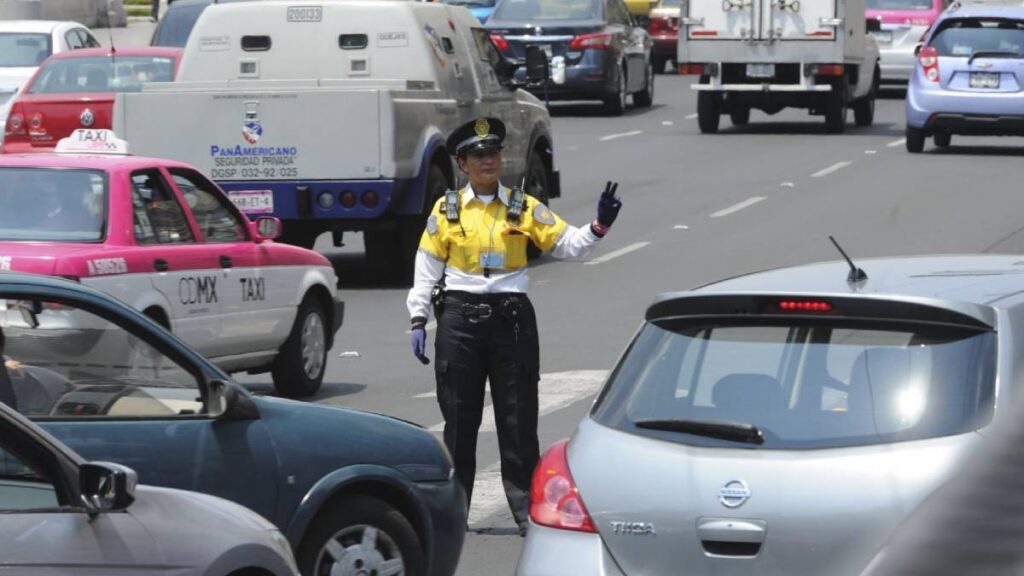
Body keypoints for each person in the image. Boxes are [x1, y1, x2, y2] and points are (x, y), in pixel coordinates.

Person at [405, 117, 622, 535]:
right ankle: (455, 512)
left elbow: (567, 244)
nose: (488, 161)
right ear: (462, 163)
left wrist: (599, 226)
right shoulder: (446, 210)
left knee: (518, 418)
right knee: (459, 419)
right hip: (460, 321)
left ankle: (526, 513)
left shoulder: (522, 206)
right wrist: (419, 317)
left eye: (493, 153)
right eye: (478, 155)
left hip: (512, 321)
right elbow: (427, 269)